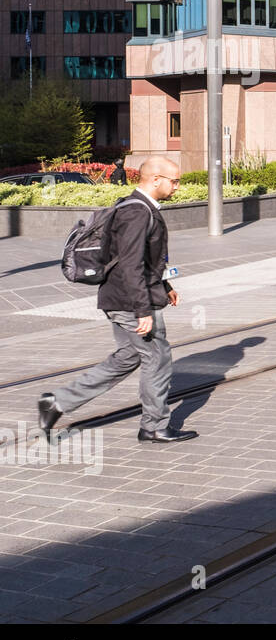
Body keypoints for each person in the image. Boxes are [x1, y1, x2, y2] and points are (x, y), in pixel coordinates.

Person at [37, 157, 197, 444]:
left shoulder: (137, 208)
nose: (177, 187)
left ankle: (57, 402)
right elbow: (130, 264)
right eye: (174, 181)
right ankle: (155, 426)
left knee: (128, 357)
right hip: (130, 301)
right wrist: (143, 310)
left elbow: (141, 260)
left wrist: (165, 284)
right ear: (155, 179)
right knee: (157, 358)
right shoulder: (137, 212)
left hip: (121, 297)